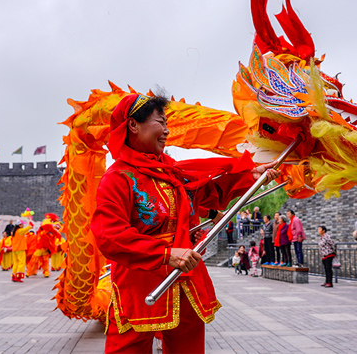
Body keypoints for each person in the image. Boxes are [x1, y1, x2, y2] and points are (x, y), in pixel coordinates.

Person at [90, 93, 279, 353]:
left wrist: (251, 176)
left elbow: (209, 193)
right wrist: (165, 254)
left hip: (186, 279)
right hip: (141, 286)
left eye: (167, 123)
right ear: (133, 125)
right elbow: (109, 236)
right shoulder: (118, 178)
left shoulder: (172, 174)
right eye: (160, 122)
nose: (167, 131)